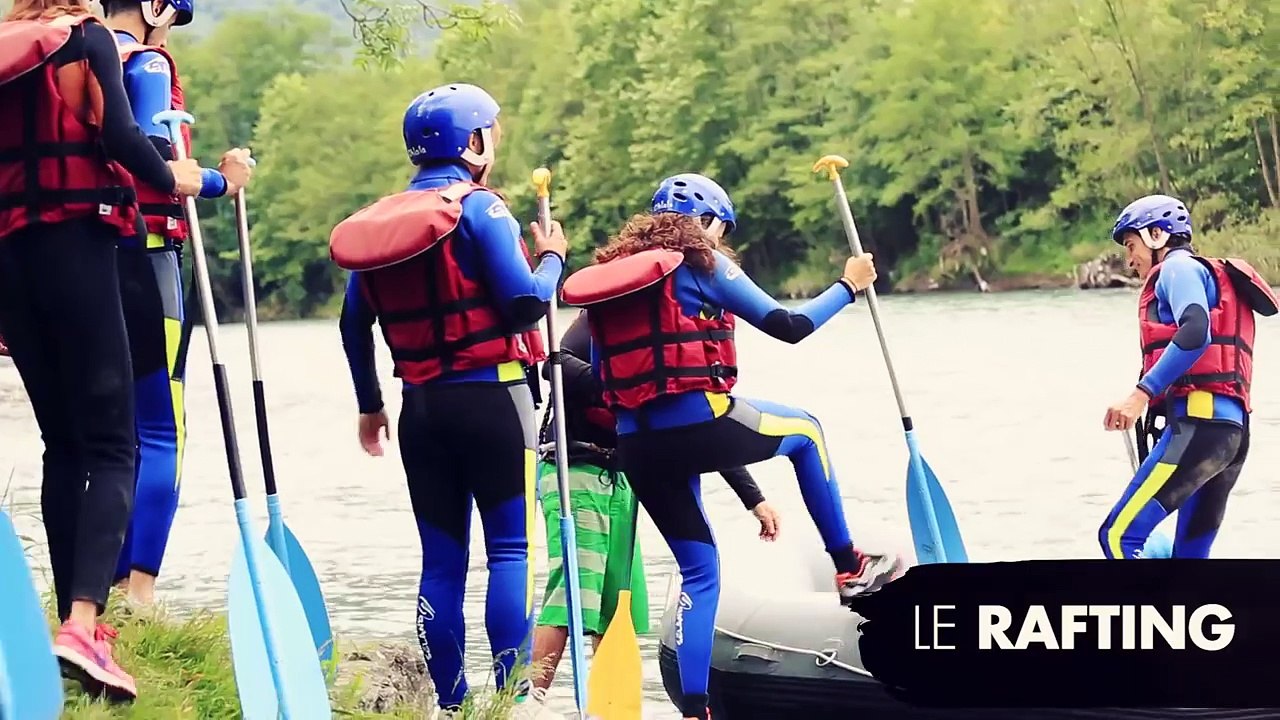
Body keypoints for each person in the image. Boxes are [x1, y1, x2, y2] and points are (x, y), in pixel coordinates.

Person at [559, 173, 905, 720]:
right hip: (699, 424)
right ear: (710, 223)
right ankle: (850, 566)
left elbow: (603, 377)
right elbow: (789, 325)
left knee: (700, 572)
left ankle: (695, 711)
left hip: (637, 447)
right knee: (807, 433)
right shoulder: (704, 264)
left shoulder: (611, 285)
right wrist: (849, 284)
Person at [330, 83, 567, 720]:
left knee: (441, 561)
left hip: (421, 410)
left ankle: (453, 706)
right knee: (510, 552)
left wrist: (370, 403)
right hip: (493, 401)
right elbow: (524, 302)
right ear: (474, 144)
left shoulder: (380, 225)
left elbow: (353, 325)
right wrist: (551, 260)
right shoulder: (482, 210)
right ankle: (511, 703)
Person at [0, 0, 205, 701]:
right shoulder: (85, 39)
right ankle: (85, 623)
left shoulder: (5, 53)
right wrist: (184, 178)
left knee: (63, 444)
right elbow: (121, 135)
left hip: (9, 262)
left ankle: (71, 626)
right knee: (117, 443)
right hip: (78, 245)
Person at [528, 309, 782, 698]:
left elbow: (698, 428)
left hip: (623, 480)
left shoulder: (668, 343)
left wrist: (754, 498)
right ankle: (530, 701)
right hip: (574, 472)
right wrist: (619, 383)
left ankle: (609, 706)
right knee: (571, 596)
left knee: (619, 606)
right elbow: (555, 365)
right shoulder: (599, 318)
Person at [100, 0, 255, 607]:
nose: (169, 28)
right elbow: (160, 164)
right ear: (152, 7)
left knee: (106, 434)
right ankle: (140, 593)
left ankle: (98, 589)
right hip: (149, 260)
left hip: (87, 260)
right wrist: (225, 180)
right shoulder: (147, 66)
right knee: (161, 431)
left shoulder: (75, 58)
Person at [1100, 194, 1276, 559]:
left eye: (1131, 245)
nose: (1129, 260)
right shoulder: (1202, 273)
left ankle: (1149, 616)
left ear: (1157, 235)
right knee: (1189, 559)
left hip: (1200, 427)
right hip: (1230, 435)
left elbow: (1196, 331)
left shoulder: (1178, 269)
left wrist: (1141, 395)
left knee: (1118, 537)